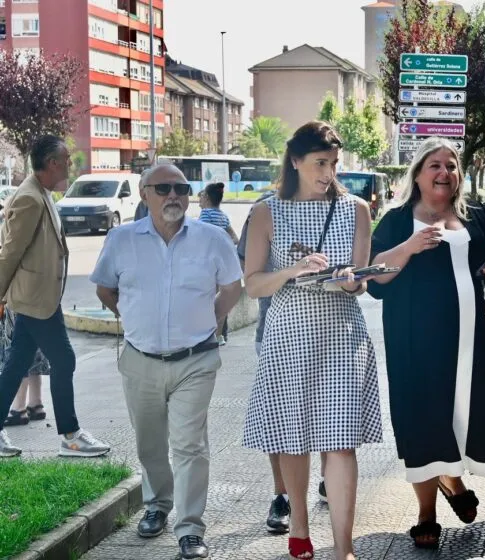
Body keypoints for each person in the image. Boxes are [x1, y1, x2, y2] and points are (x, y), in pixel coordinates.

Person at [367, 137, 485, 549]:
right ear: (417, 173)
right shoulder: (398, 220)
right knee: (422, 420)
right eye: (435, 165)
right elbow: (376, 277)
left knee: (459, 417)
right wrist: (410, 247)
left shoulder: (477, 216)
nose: (444, 173)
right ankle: (426, 513)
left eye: (451, 166)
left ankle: (453, 480)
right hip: (416, 345)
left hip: (472, 343)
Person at [242, 121, 382, 560]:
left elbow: (360, 281)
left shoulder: (355, 209)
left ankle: (344, 548)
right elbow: (253, 285)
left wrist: (350, 280)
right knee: (292, 436)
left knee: (341, 442)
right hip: (288, 334)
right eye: (320, 163)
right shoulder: (266, 211)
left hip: (342, 332)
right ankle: (299, 527)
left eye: (334, 163)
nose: (328, 172)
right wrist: (291, 272)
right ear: (296, 161)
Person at [91, 163, 243, 560]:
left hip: (195, 359)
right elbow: (105, 288)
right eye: (163, 188)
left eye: (180, 187)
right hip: (140, 359)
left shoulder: (212, 239)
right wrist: (135, 317)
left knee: (190, 445)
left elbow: (232, 286)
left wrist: (211, 321)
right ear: (144, 194)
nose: (173, 195)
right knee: (150, 442)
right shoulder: (121, 239)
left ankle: (190, 528)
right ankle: (157, 504)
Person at [0, 135, 110, 459]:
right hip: (35, 299)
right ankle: (71, 435)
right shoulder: (29, 199)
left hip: (41, 296)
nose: (69, 165)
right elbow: (10, 253)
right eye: (65, 160)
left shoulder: (42, 193)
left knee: (17, 363)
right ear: (51, 163)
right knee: (65, 359)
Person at [236, 189, 330, 535]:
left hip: (326, 329)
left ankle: (326, 479)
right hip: (276, 330)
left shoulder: (339, 207)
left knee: (324, 412)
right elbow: (250, 269)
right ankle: (282, 495)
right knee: (282, 417)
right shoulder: (266, 208)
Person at [199, 182, 239, 345]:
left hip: (207, 262)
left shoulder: (205, 214)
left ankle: (209, 336)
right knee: (220, 297)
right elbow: (235, 238)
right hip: (222, 263)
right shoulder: (223, 216)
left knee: (207, 299)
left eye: (201, 196)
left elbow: (201, 236)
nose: (199, 199)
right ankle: (219, 336)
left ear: (207, 198)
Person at [2, 306, 50, 427]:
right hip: (38, 302)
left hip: (16, 301)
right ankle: (35, 403)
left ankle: (19, 408)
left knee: (17, 348)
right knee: (34, 344)